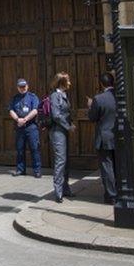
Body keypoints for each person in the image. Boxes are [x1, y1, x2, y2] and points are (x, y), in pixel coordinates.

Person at [87, 72, 117, 204]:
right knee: (119, 165)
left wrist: (90, 105)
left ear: (101, 83)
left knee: (107, 167)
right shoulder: (120, 95)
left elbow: (92, 117)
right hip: (118, 135)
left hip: (104, 137)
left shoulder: (99, 99)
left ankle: (111, 195)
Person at [8, 78, 41, 177]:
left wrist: (25, 119)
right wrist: (18, 119)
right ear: (17, 88)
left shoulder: (32, 97)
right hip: (19, 127)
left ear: (27, 86)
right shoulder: (15, 98)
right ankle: (20, 169)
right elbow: (11, 110)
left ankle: (37, 171)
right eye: (21, 87)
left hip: (31, 127)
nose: (23, 88)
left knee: (34, 149)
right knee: (20, 149)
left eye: (24, 86)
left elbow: (35, 110)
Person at [49, 71, 74, 203]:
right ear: (62, 82)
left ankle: (65, 188)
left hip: (63, 130)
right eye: (68, 80)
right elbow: (56, 115)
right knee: (60, 160)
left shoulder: (63, 94)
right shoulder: (55, 96)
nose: (70, 83)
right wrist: (68, 126)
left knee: (65, 161)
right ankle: (58, 191)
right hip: (58, 131)